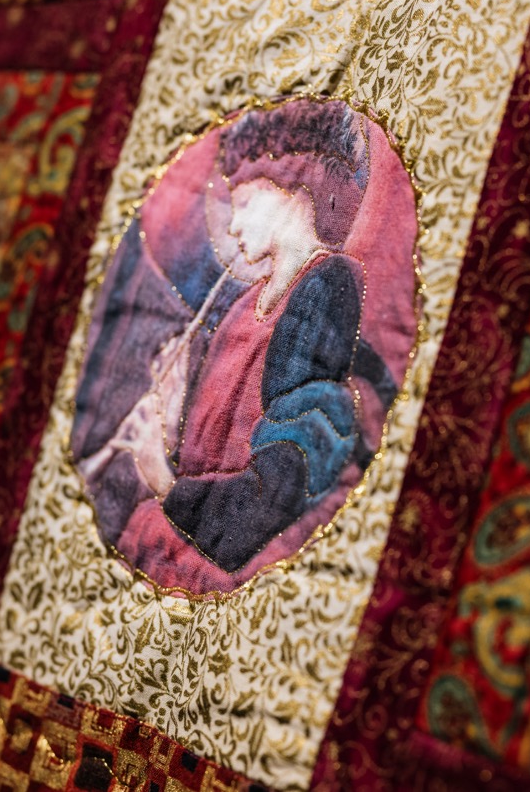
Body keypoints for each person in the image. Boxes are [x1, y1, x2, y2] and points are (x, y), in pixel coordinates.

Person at [74, 100, 407, 586]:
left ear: (297, 190)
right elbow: (209, 436)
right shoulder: (243, 304)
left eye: (245, 203)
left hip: (218, 555)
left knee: (140, 534)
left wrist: (165, 482)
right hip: (181, 527)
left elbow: (277, 493)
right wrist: (169, 423)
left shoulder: (323, 291)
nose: (231, 225)